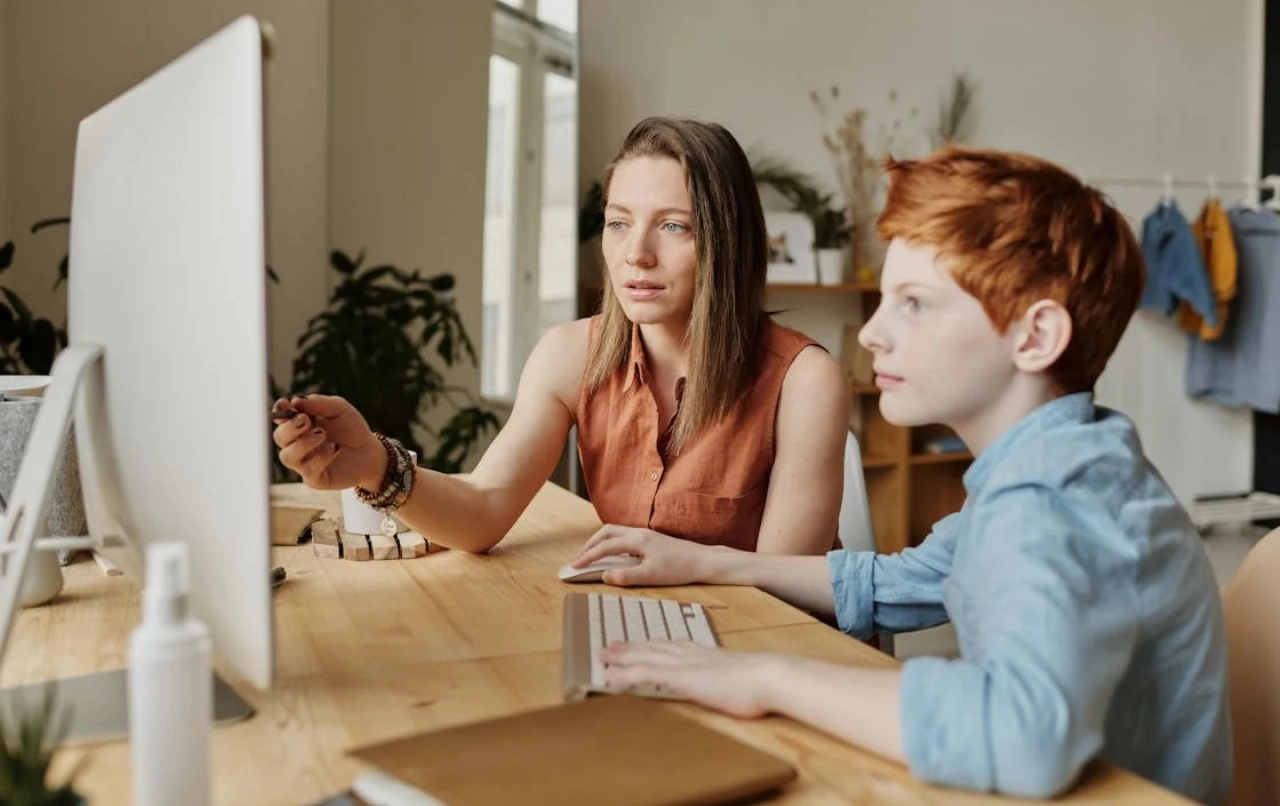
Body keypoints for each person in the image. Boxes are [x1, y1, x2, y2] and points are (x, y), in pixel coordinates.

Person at [569, 147, 1232, 804]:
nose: (872, 335)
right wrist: (704, 561)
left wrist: (767, 677)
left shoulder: (1049, 500)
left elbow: (1022, 735)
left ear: (1035, 338)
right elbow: (897, 580)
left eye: (913, 303)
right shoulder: (1065, 460)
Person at [273, 116, 849, 555]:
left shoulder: (805, 381)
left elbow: (785, 594)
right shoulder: (570, 354)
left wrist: (670, 568)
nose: (636, 254)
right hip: (649, 634)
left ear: (728, 243)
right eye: (619, 222)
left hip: (767, 654)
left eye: (674, 226)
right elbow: (483, 510)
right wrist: (375, 463)